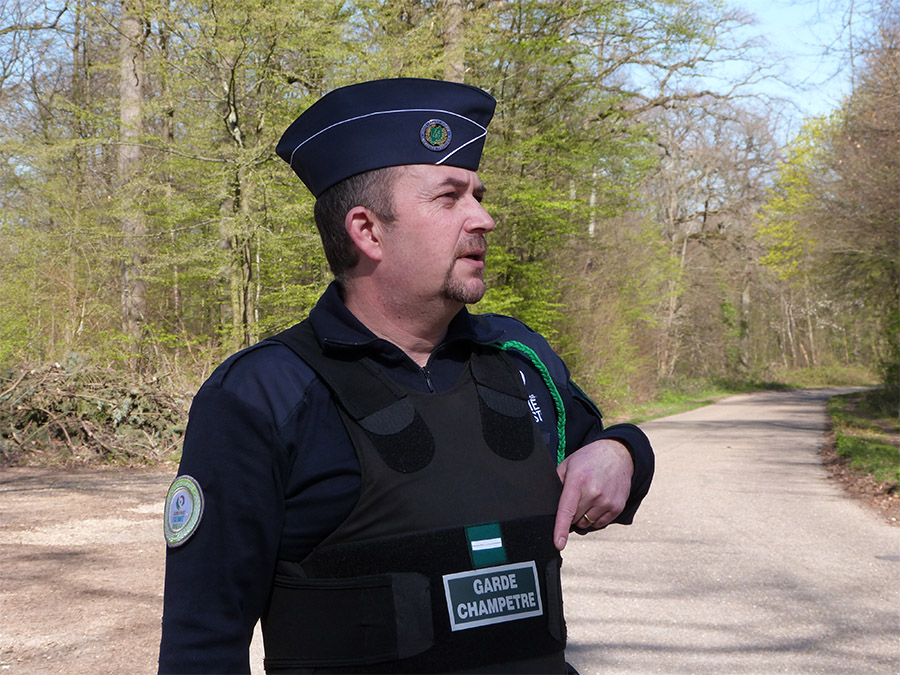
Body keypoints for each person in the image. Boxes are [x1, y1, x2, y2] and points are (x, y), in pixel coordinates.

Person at [158, 78, 654, 674]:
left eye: (478, 194)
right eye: (449, 198)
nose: (484, 218)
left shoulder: (518, 355)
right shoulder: (263, 395)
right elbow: (201, 642)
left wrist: (622, 451)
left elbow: (599, 447)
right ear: (367, 231)